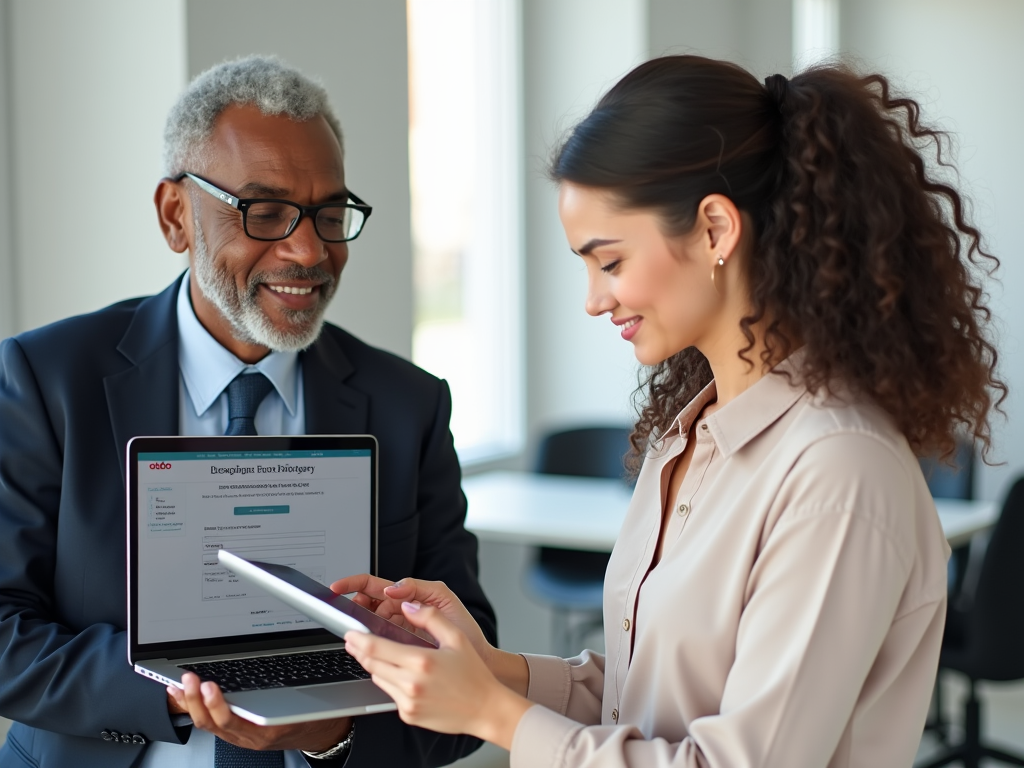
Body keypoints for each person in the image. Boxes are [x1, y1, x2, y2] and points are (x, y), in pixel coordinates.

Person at [336, 56, 1005, 767]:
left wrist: (493, 715)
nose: (593, 299)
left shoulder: (838, 472)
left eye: (611, 261)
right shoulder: (690, 436)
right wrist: (484, 665)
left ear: (715, 229)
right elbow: (638, 700)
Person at [0, 56, 495, 767]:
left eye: (330, 214)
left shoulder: (405, 404)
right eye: (264, 213)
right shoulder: (49, 380)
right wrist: (175, 685)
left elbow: (469, 674)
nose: (308, 250)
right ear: (176, 215)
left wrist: (334, 732)